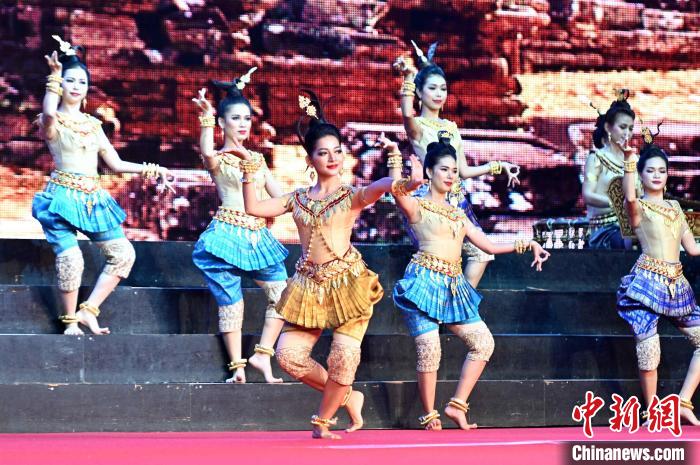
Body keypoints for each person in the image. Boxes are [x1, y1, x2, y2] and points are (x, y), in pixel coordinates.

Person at [240, 90, 400, 439]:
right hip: (308, 288)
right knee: (288, 357)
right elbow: (253, 208)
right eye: (323, 152)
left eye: (337, 151)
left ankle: (323, 420)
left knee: (343, 356)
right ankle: (348, 396)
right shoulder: (297, 199)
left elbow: (381, 187)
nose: (332, 158)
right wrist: (250, 170)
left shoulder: (350, 196)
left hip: (348, 285)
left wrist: (399, 176)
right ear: (310, 159)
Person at [388, 135, 550, 430]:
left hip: (453, 286)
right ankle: (430, 415)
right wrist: (395, 159)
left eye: (454, 170)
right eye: (444, 170)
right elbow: (397, 191)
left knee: (483, 343)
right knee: (430, 348)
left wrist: (528, 244)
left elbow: (488, 245)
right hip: (422, 282)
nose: (450, 175)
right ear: (429, 172)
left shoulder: (459, 215)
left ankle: (456, 405)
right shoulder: (417, 205)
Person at [33, 36, 174, 336]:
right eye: (70, 80)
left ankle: (88, 311)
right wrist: (54, 77)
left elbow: (116, 163)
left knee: (123, 254)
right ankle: (69, 321)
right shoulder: (52, 121)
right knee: (71, 258)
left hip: (92, 198)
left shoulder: (94, 125)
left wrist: (153, 169)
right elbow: (48, 113)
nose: (76, 86)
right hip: (61, 198)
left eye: (82, 82)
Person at [393, 40, 520, 287]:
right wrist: (408, 77)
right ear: (419, 93)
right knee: (438, 258)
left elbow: (463, 171)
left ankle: (457, 304)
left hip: (456, 201)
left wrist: (498, 166)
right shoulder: (418, 127)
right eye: (432, 88)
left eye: (443, 89)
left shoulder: (451, 127)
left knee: (482, 254)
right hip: (428, 202)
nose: (439, 94)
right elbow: (407, 113)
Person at [191, 68, 289, 384]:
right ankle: (237, 367)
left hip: (258, 237)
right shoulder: (220, 157)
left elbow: (279, 197)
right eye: (235, 118)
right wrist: (206, 119)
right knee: (232, 303)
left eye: (247, 118)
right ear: (222, 123)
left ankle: (262, 355)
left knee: (283, 295)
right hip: (227, 234)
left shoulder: (257, 160)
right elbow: (207, 152)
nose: (243, 124)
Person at [618, 124, 700, 425]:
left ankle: (683, 402)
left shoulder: (675, 207)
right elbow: (629, 198)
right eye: (650, 170)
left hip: (677, 286)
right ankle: (652, 410)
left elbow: (692, 249)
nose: (656, 175)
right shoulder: (638, 207)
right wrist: (629, 160)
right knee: (649, 350)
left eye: (662, 171)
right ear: (641, 175)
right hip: (646, 283)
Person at [583, 89, 636, 249]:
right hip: (605, 230)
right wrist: (618, 205)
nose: (627, 133)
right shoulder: (596, 158)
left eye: (631, 128)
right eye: (622, 127)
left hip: (634, 225)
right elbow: (587, 195)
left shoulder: (634, 159)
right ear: (608, 127)